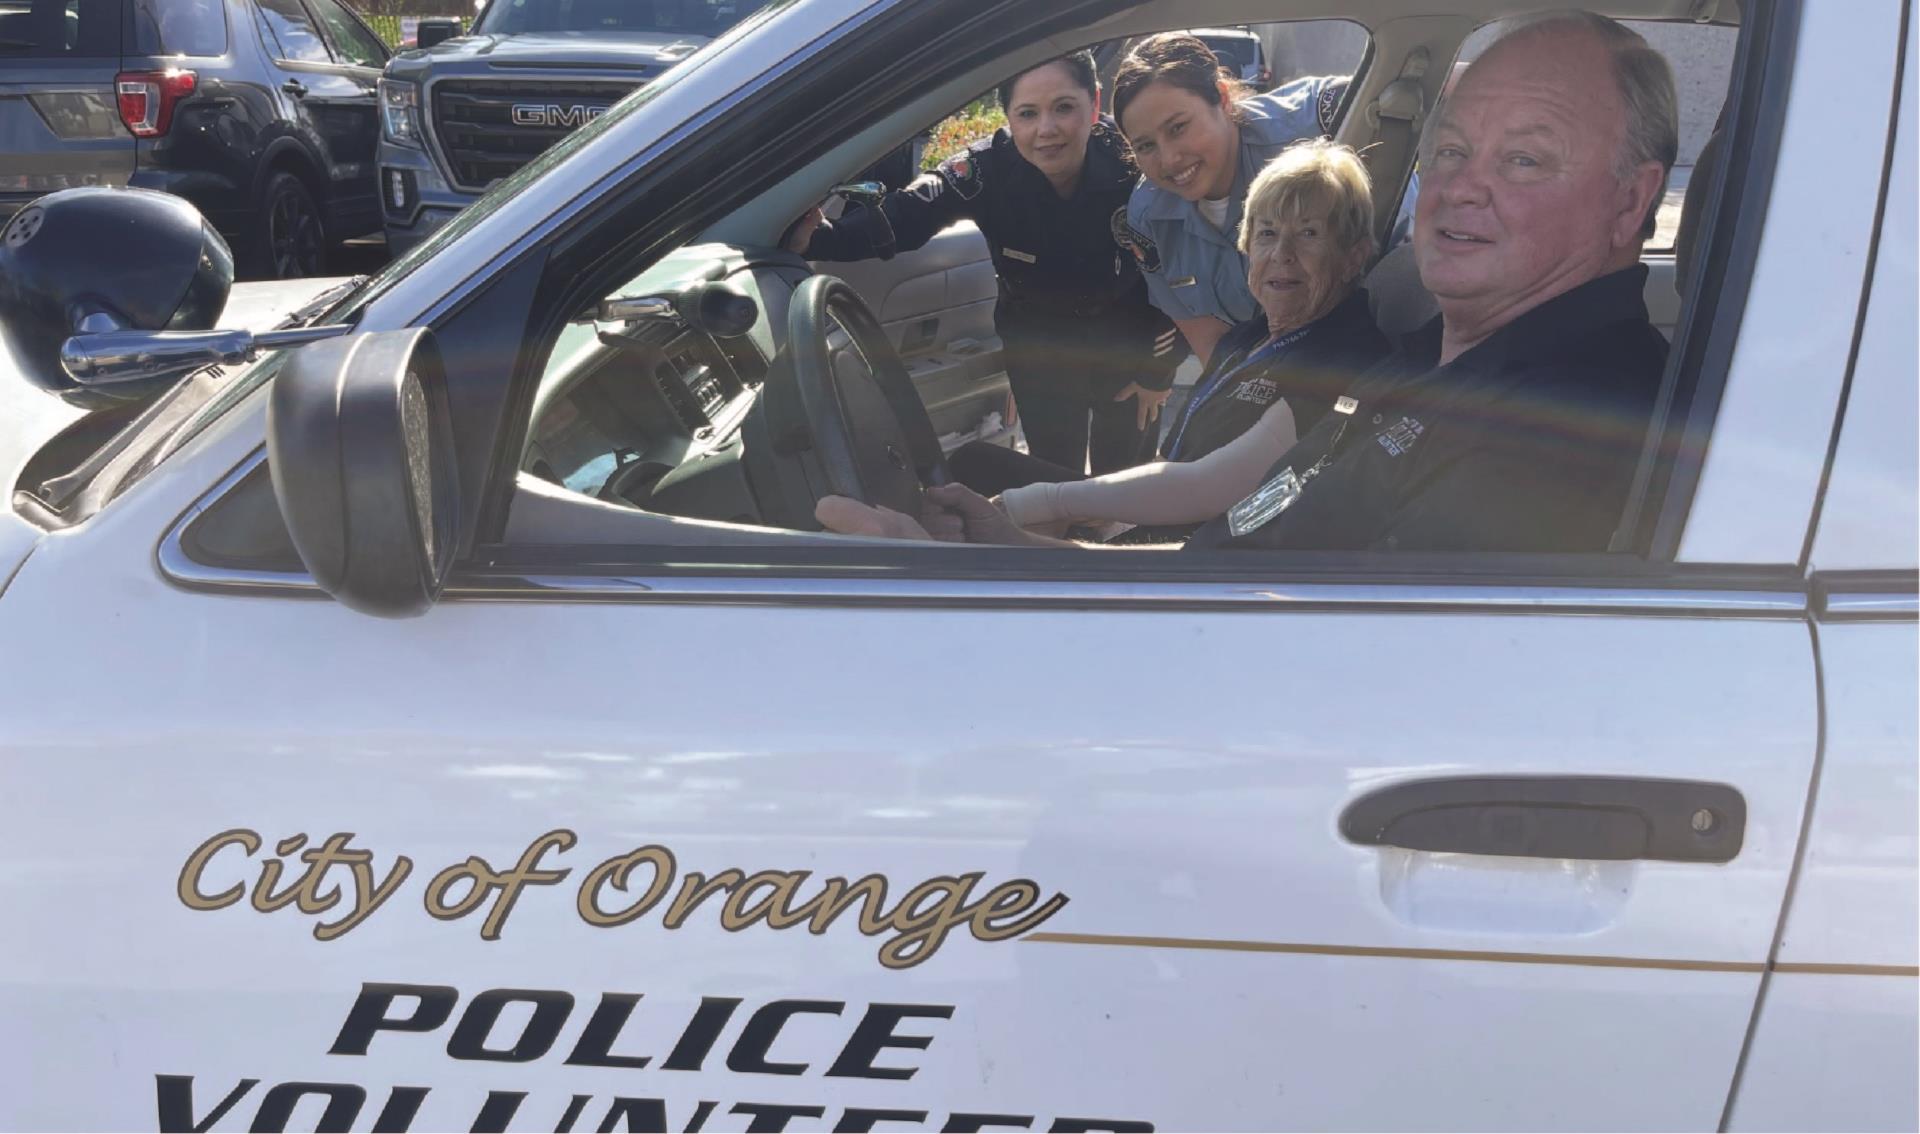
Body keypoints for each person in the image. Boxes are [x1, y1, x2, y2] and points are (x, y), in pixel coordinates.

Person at [817, 10, 1678, 559]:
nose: (1460, 186)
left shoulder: (1560, 425)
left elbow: (1284, 650)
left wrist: (1031, 559)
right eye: (1449, 150)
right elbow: (1245, 531)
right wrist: (1028, 550)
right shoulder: (1422, 358)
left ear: (1631, 200)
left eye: (1524, 158)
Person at [943, 138, 1391, 538]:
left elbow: (1214, 487)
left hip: (1190, 564)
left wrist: (1049, 503)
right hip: (1154, 524)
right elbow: (1178, 463)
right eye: (1267, 233)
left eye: (1309, 234)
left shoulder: (1343, 353)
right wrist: (1102, 512)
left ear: (1354, 256)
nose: (1282, 255)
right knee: (973, 466)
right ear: (1246, 244)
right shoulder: (1250, 337)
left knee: (967, 520)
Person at [787, 51, 1182, 478]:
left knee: (1128, 482)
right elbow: (907, 216)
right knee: (1051, 477)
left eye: (1064, 108)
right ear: (1008, 117)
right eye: (1027, 113)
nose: (1046, 130)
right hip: (1038, 343)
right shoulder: (983, 169)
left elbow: (1182, 269)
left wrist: (1159, 370)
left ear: (1095, 103)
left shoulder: (1133, 162)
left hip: (1129, 337)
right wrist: (820, 238)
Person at [1113, 34, 1351, 365]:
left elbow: (1416, 81)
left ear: (1223, 98)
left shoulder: (1311, 127)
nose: (1168, 160)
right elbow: (1211, 343)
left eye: (1178, 127)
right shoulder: (1148, 218)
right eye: (1145, 146)